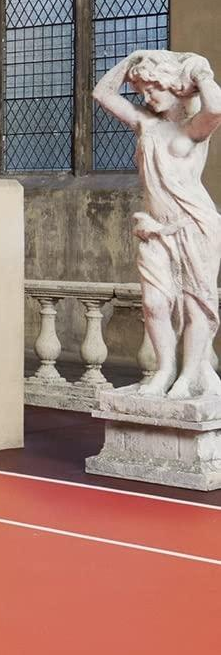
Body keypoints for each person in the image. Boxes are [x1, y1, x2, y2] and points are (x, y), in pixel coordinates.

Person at [94, 49, 221, 400]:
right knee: (154, 303)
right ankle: (164, 370)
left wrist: (199, 72)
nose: (147, 97)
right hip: (155, 230)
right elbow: (102, 94)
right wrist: (134, 58)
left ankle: (189, 375)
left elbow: (217, 108)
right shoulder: (145, 124)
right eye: (142, 92)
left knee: (196, 306)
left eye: (152, 89)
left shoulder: (194, 128)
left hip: (195, 225)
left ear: (172, 84)